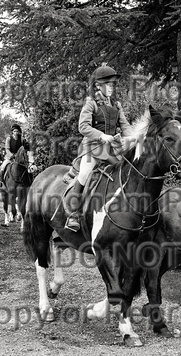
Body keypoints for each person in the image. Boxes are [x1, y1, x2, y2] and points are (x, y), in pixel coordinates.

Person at [64, 65, 132, 232]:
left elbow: (125, 125)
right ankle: (73, 214)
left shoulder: (117, 105)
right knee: (85, 173)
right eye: (108, 84)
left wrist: (134, 138)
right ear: (98, 85)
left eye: (113, 84)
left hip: (112, 150)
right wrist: (101, 136)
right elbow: (83, 127)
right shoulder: (91, 103)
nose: (111, 87)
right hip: (93, 148)